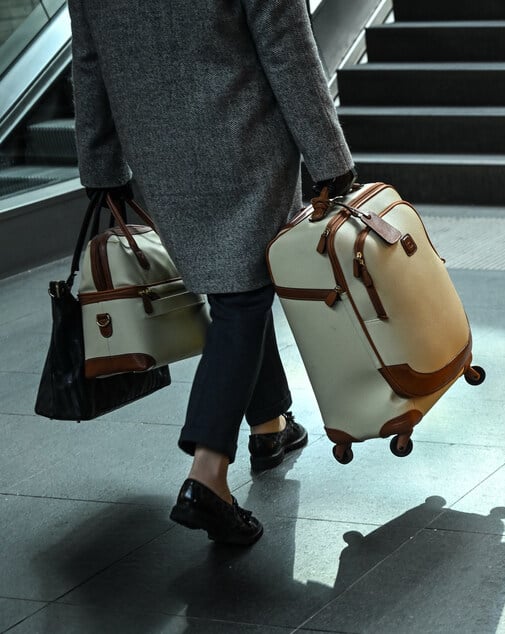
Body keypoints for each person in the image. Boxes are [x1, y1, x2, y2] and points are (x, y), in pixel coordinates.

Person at [68, 0, 355, 546]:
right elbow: (286, 45)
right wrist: (329, 156)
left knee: (239, 284)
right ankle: (208, 473)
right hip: (245, 134)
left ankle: (270, 425)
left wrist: (101, 164)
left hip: (160, 154)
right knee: (243, 297)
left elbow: (88, 60)